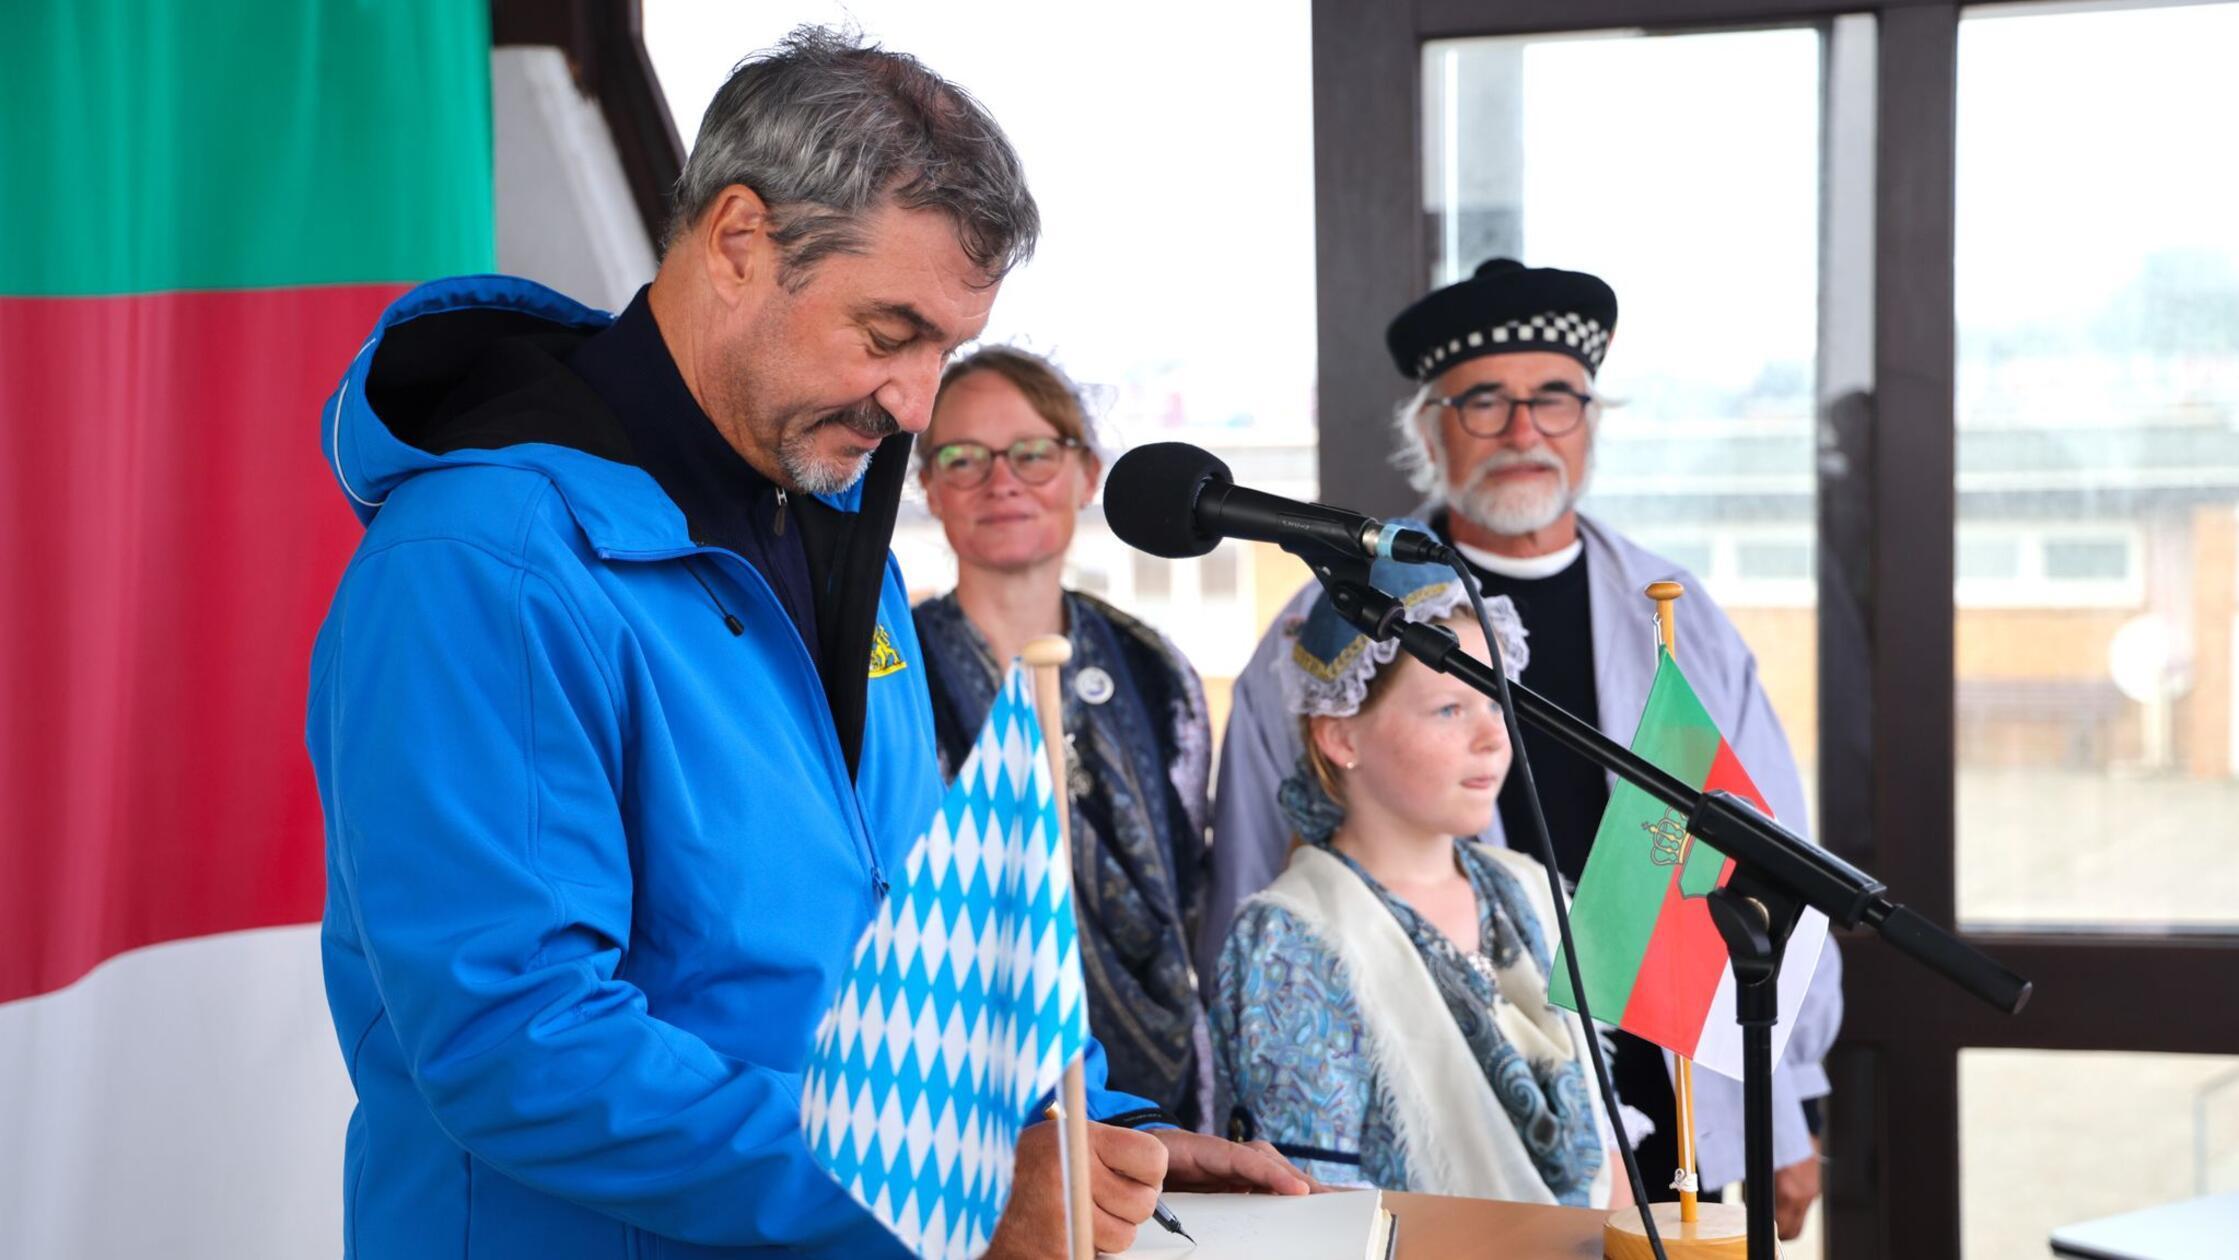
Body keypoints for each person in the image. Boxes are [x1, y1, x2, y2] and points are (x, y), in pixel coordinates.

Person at [306, 28, 1304, 1260]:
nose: (918, 405)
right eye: (891, 334)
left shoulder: (834, 529)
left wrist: (1093, 1129)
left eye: (946, 347)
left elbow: (917, 933)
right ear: (738, 241)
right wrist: (953, 1187)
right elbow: (518, 1043)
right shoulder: (484, 564)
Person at [1203, 259, 1841, 1237]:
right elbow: (1254, 867)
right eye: (1484, 403)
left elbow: (1770, 852)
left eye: (1554, 399)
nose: (1523, 432)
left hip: (1673, 1082)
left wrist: (1784, 1100)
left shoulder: (1675, 613)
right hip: (1428, 1118)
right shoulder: (1332, 628)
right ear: (1429, 429)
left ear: (1590, 421)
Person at [1212, 553, 1628, 1207]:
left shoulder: (1528, 888)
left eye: (1495, 702)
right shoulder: (1294, 937)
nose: (1494, 737)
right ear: (1340, 736)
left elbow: (1607, 1154)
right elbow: (1316, 1214)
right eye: (1447, 710)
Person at [912, 347, 1214, 1129]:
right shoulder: (890, 677)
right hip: (978, 1091)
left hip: (1169, 1083)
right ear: (928, 489)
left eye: (1033, 454)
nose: (1001, 480)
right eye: (963, 457)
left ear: (1087, 476)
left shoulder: (1155, 667)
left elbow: (1187, 895)